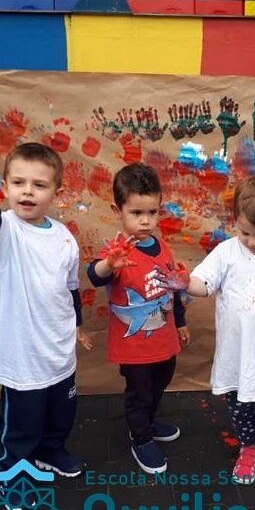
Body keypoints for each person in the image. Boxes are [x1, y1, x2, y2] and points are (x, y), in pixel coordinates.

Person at [158, 176, 255, 498]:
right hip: (235, 357)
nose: (252, 242)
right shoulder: (227, 252)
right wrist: (185, 283)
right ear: (235, 222)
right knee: (240, 409)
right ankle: (249, 448)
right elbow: (204, 284)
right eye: (245, 233)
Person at [0, 142, 91, 497]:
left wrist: (77, 326)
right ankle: (14, 476)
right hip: (22, 357)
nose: (28, 192)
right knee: (22, 427)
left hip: (59, 352)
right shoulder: (4, 230)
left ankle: (51, 451)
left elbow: (70, 288)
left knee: (60, 414)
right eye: (18, 183)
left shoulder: (64, 237)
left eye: (39, 185)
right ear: (5, 187)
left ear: (56, 192)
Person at [86, 163, 189, 475]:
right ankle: (140, 438)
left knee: (161, 382)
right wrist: (109, 264)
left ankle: (148, 421)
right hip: (134, 347)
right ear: (118, 211)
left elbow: (172, 287)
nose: (145, 221)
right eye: (136, 213)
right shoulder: (117, 253)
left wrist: (180, 322)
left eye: (152, 212)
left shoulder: (163, 246)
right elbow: (94, 275)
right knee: (140, 393)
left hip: (164, 338)